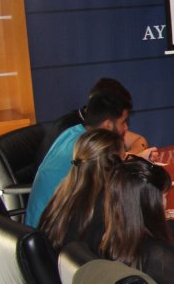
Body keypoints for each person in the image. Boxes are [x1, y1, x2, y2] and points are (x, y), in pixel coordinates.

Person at [26, 87, 145, 226]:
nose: (126, 128)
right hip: (54, 233)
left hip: (43, 226)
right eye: (123, 122)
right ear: (107, 125)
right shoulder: (91, 149)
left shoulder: (73, 132)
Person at [37, 128, 125, 252]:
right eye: (123, 158)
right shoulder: (106, 206)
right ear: (115, 164)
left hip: (60, 267)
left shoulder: (63, 192)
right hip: (88, 268)